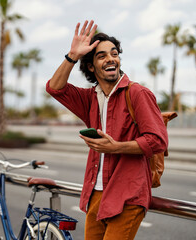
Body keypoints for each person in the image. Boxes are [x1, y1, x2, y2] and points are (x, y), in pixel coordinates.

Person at [46, 20, 168, 240]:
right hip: (96, 194)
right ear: (91, 67)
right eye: (101, 56)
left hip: (128, 195)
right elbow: (55, 88)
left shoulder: (137, 93)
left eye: (114, 54)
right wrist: (72, 55)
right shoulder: (90, 99)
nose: (111, 58)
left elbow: (157, 140)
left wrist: (115, 147)